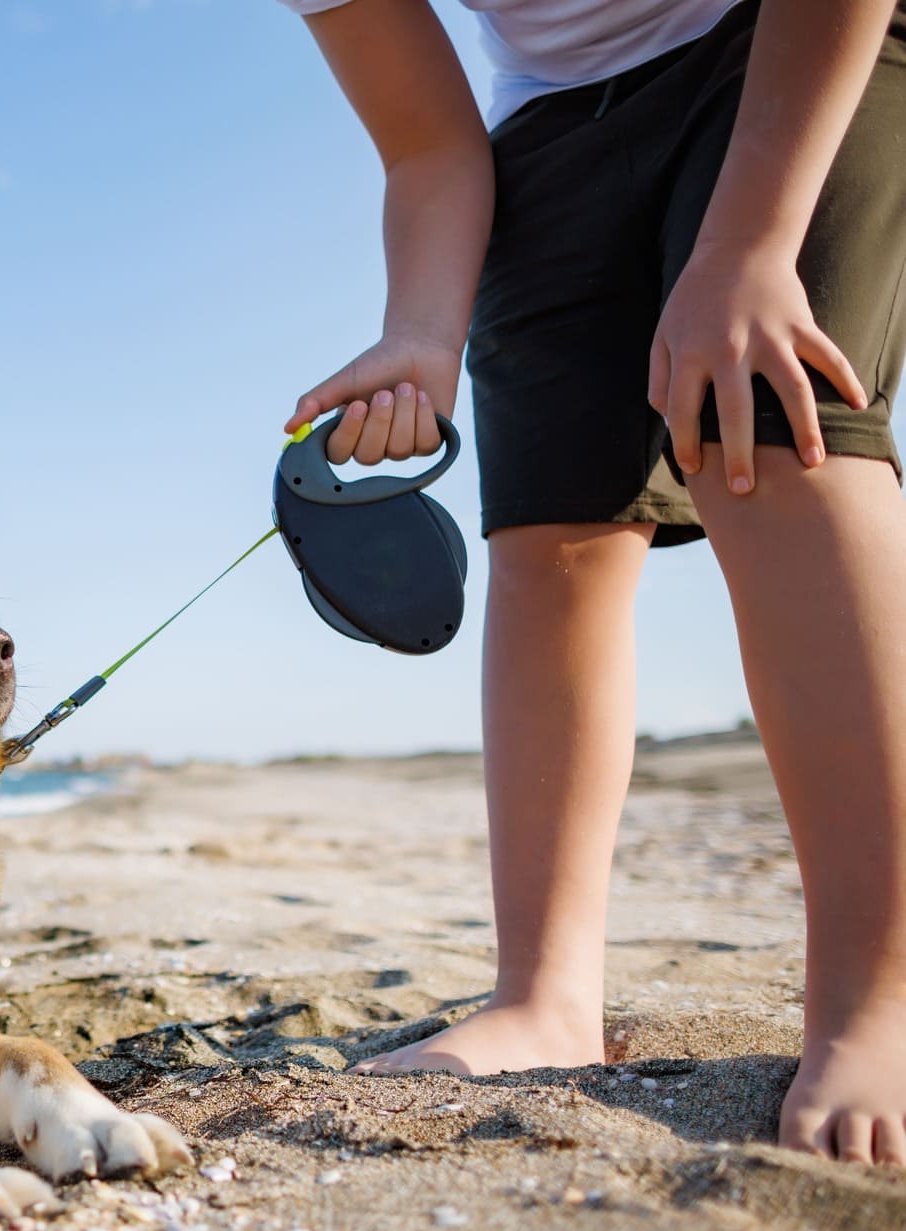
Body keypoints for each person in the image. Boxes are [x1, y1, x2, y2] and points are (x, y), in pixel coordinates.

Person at [274, 0, 906, 1167]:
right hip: (556, 130)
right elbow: (427, 145)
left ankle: (879, 998)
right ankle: (545, 993)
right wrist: (419, 331)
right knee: (547, 533)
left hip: (791, 41)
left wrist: (750, 242)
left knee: (769, 437)